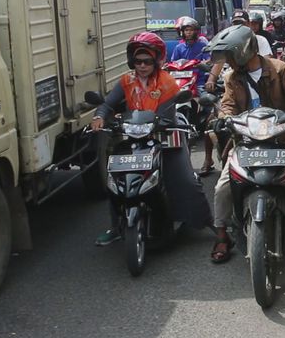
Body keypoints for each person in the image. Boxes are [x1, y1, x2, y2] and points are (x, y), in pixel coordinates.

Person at [204, 25, 285, 263]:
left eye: (231, 56)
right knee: (223, 188)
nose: (228, 61)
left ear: (244, 51)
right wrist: (222, 119)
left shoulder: (279, 68)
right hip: (246, 142)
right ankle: (222, 235)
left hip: (283, 139)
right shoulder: (232, 77)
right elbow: (227, 105)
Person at [90, 32, 213, 245]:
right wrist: (100, 117)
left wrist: (161, 122)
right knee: (115, 178)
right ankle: (115, 227)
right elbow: (108, 104)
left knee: (185, 180)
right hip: (132, 137)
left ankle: (209, 223)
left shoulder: (167, 82)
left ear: (156, 61)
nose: (142, 65)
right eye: (137, 61)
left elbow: (168, 112)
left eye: (147, 61)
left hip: (164, 136)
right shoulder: (126, 81)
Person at [169, 16, 216, 175]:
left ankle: (211, 121)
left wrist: (203, 64)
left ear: (196, 32)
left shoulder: (202, 45)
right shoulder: (179, 47)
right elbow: (173, 62)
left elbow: (209, 61)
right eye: (186, 30)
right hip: (182, 80)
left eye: (190, 30)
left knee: (209, 101)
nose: (188, 33)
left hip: (199, 81)